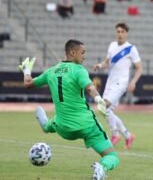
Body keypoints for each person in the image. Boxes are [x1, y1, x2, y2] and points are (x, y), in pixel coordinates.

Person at [19, 40, 119, 180]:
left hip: (63, 128)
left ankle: (46, 126)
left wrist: (27, 70)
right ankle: (101, 168)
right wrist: (99, 100)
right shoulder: (78, 70)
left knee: (54, 122)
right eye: (82, 53)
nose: (84, 56)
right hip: (86, 125)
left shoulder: (51, 71)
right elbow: (90, 88)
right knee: (112, 156)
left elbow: (28, 83)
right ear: (72, 53)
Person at [93, 22, 142, 149]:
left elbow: (139, 68)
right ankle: (127, 135)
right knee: (106, 110)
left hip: (122, 82)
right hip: (110, 81)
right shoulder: (112, 45)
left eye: (122, 32)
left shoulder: (131, 49)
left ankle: (115, 134)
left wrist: (133, 81)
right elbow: (106, 62)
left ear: (126, 34)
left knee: (104, 106)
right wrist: (99, 65)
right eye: (118, 31)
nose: (120, 34)